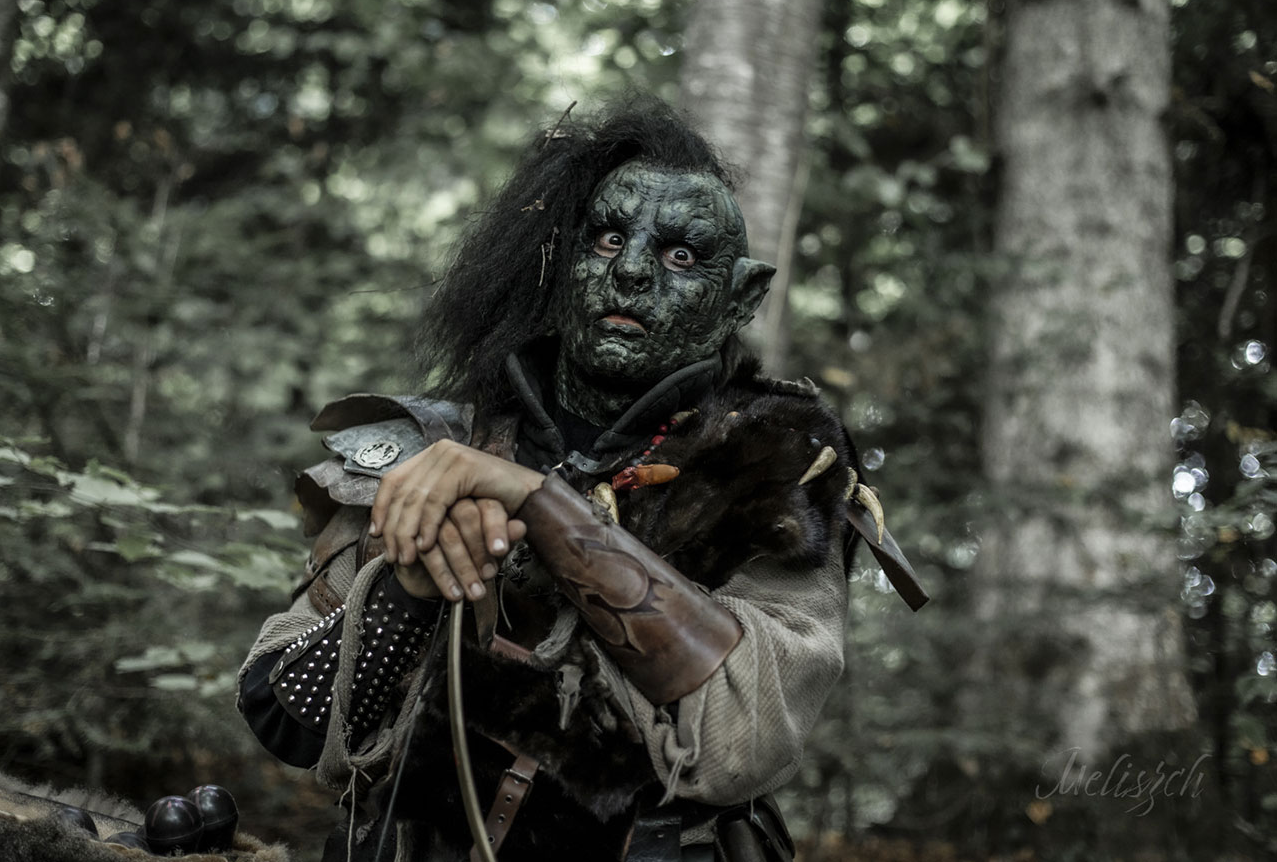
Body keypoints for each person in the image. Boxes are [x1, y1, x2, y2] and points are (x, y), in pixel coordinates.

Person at [237, 97, 923, 862]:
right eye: (607, 238)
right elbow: (285, 721)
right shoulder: (428, 449)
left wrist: (540, 505)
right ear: (565, 261)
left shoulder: (775, 464)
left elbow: (743, 741)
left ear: (742, 297)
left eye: (682, 256)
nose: (630, 270)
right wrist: (410, 585)